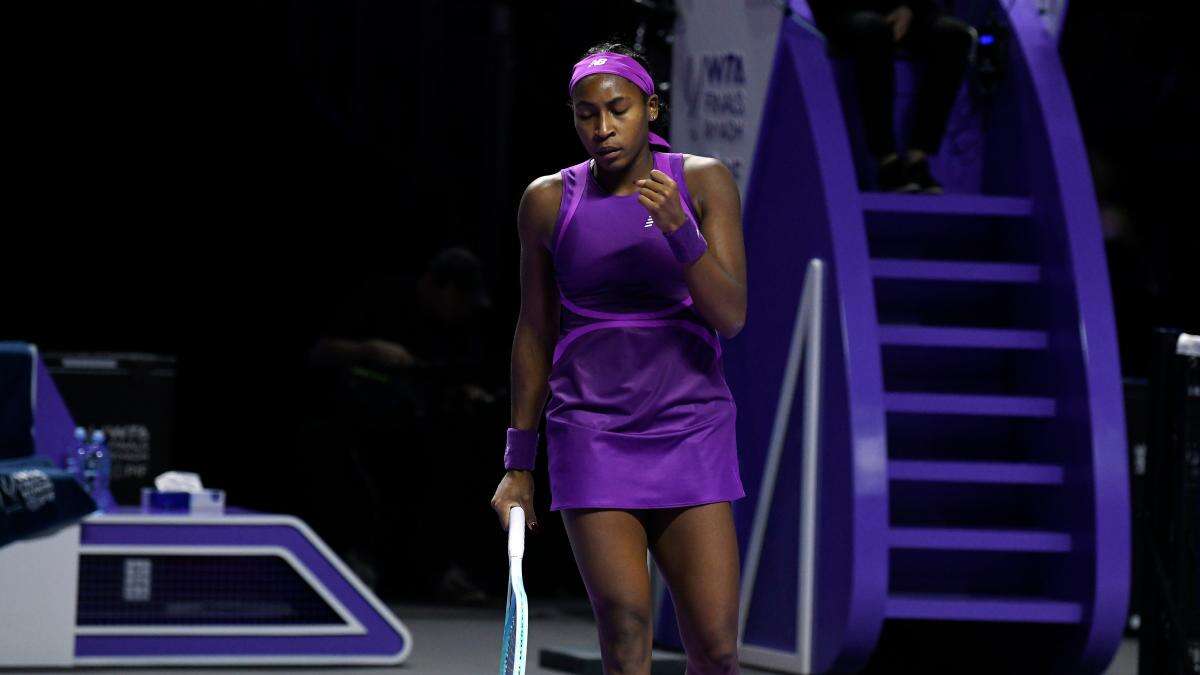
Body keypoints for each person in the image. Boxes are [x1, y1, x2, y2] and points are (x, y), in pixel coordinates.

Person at [490, 43, 748, 673]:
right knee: (626, 629)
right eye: (585, 115)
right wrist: (517, 465)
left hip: (692, 426)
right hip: (592, 432)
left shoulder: (703, 180)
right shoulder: (548, 201)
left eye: (618, 110)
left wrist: (680, 231)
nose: (602, 129)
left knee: (715, 647)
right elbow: (533, 330)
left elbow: (731, 317)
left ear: (650, 108)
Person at [303, 247, 504, 603]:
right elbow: (319, 352)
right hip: (361, 424)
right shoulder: (381, 299)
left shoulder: (457, 330)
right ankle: (356, 569)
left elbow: (453, 374)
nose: (463, 312)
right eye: (461, 300)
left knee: (457, 466)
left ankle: (440, 573)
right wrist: (368, 350)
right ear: (442, 288)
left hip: (425, 431)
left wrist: (467, 391)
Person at [809, 0, 975, 193]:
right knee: (873, 29)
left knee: (955, 36)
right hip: (844, 11)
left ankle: (918, 158)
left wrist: (908, 8)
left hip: (899, 9)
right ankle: (887, 161)